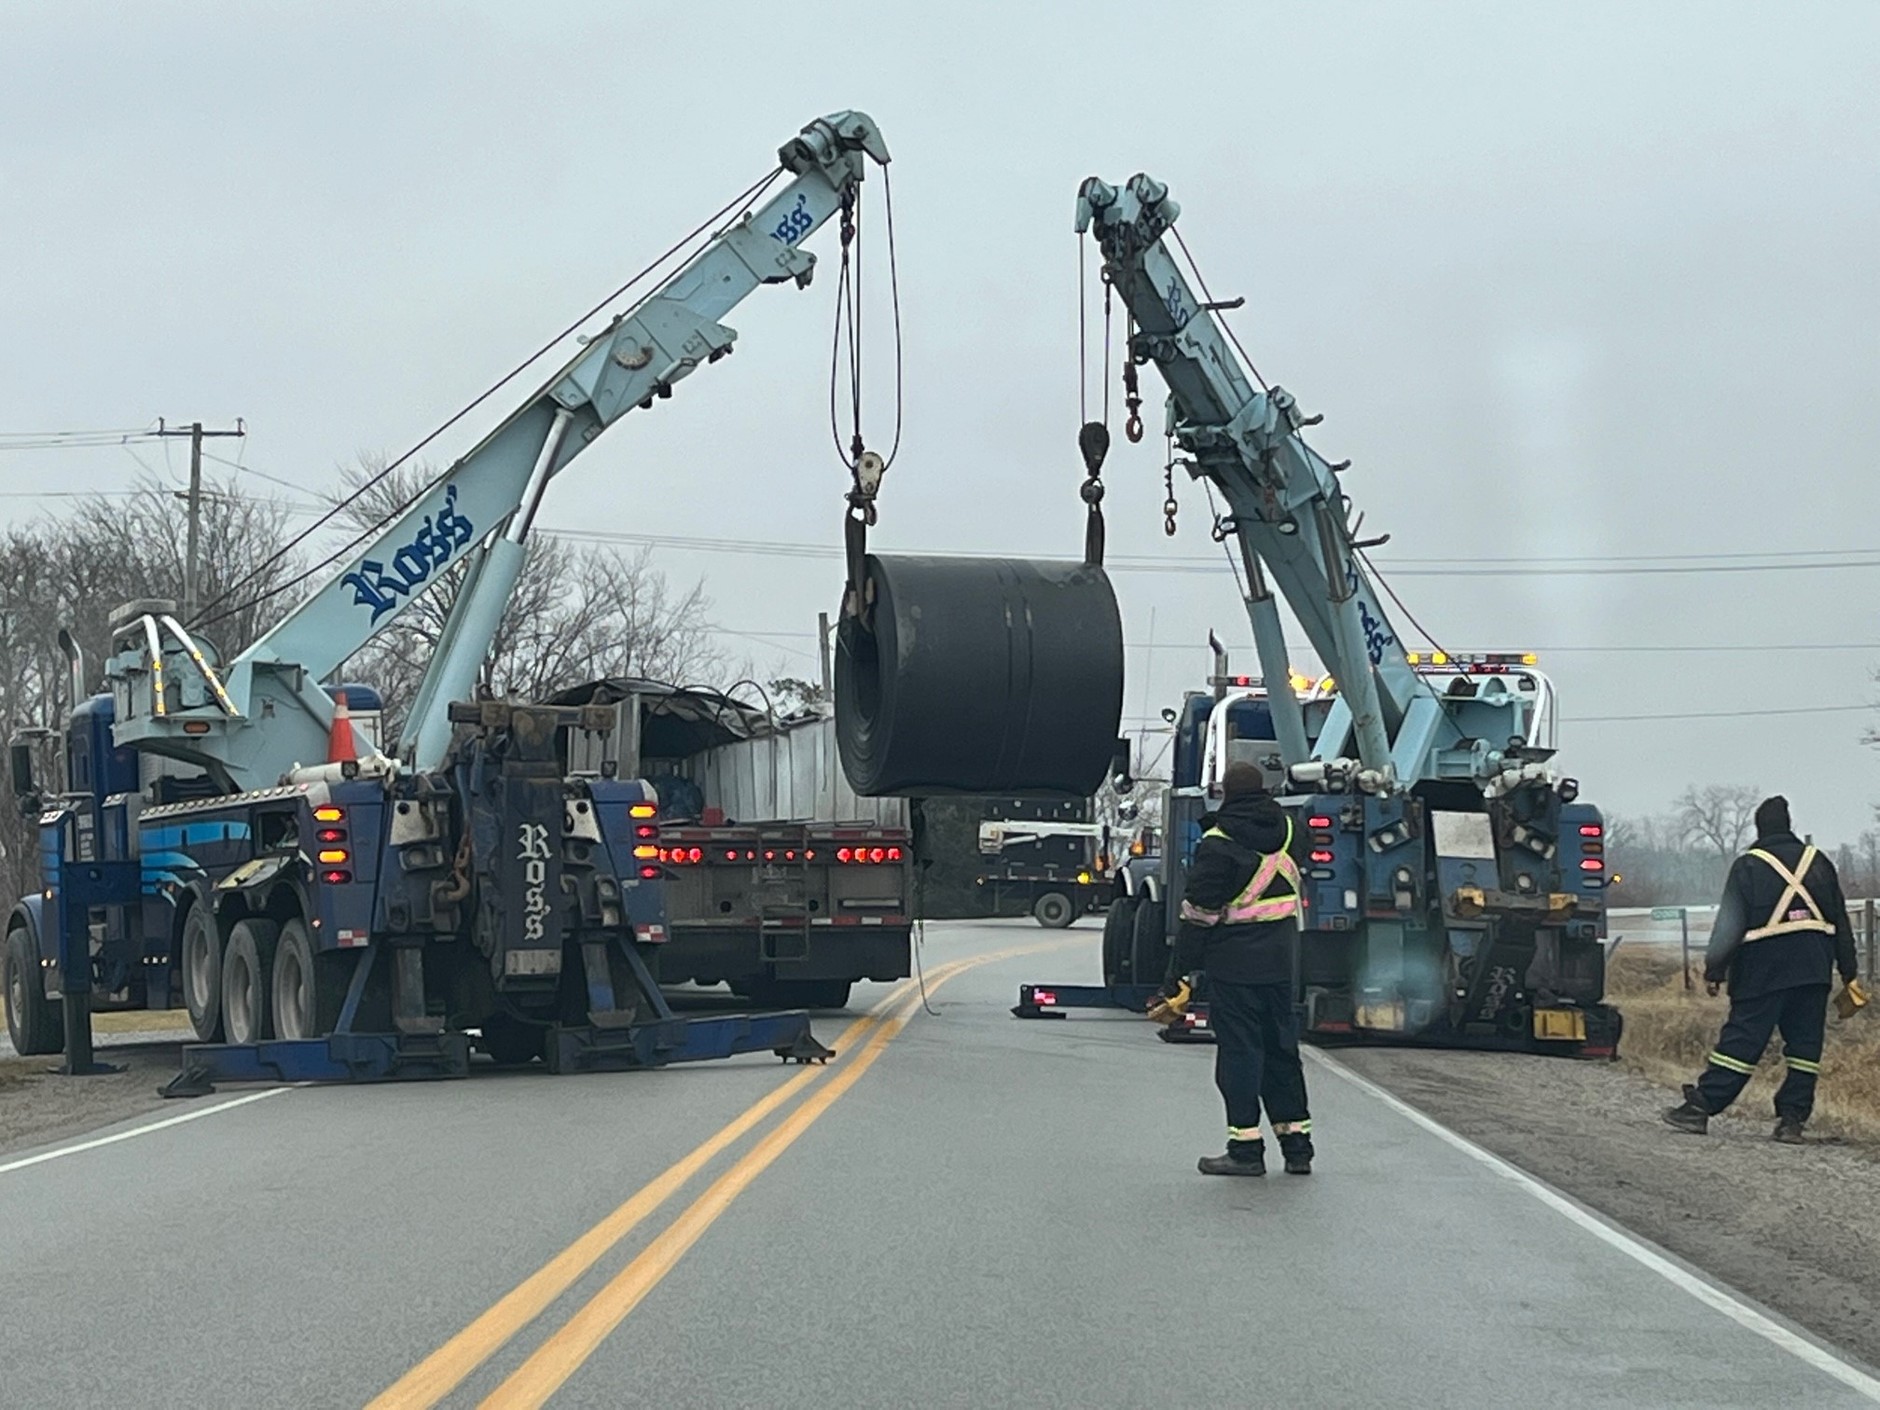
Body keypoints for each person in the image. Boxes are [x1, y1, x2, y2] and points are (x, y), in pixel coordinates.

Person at [1663, 795, 1859, 1143]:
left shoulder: (1749, 866)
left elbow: (1729, 924)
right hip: (1814, 969)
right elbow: (1840, 920)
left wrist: (1714, 970)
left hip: (1763, 970)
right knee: (1805, 1050)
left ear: (1758, 828)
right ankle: (1792, 1122)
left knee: (1741, 1042)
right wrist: (1849, 971)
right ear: (1789, 825)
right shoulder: (1818, 862)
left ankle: (1700, 1108)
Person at [1155, 760, 1312, 1176]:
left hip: (1235, 966)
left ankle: (1245, 1150)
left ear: (1226, 793)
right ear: (1263, 790)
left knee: (1241, 1055)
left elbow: (1199, 915)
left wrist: (1177, 973)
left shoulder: (1218, 843)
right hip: (1282, 962)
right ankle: (1298, 1149)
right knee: (1282, 1052)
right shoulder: (1291, 830)